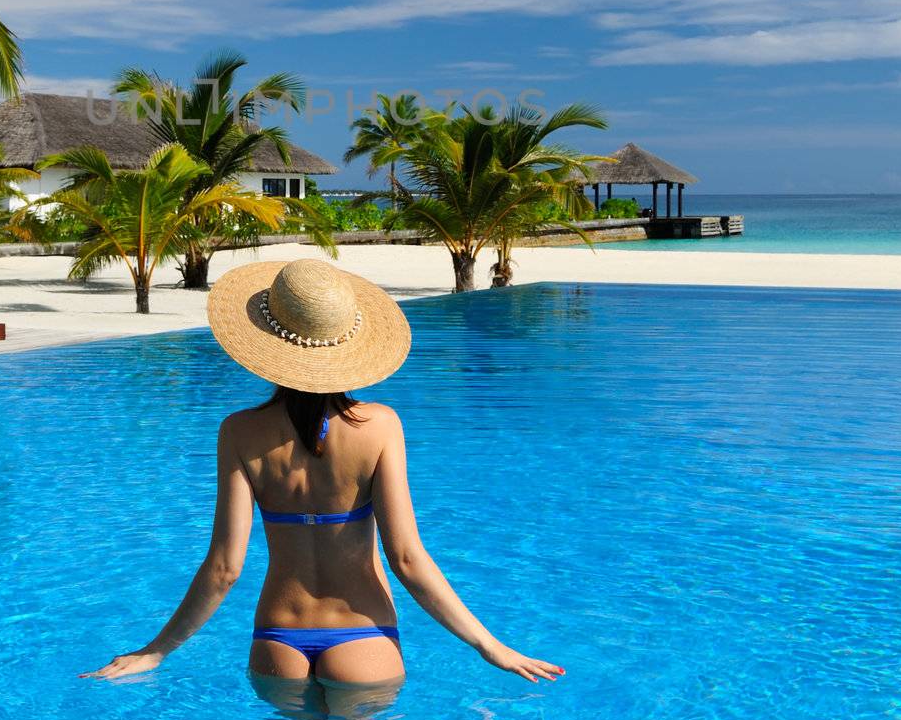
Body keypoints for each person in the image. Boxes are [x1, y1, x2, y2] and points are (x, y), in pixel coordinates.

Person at [83, 257, 562, 689]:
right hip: (363, 638)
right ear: (349, 345)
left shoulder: (239, 433)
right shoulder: (380, 427)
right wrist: (488, 645)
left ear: (266, 344)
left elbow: (225, 569)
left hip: (278, 642)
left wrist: (156, 650)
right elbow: (408, 560)